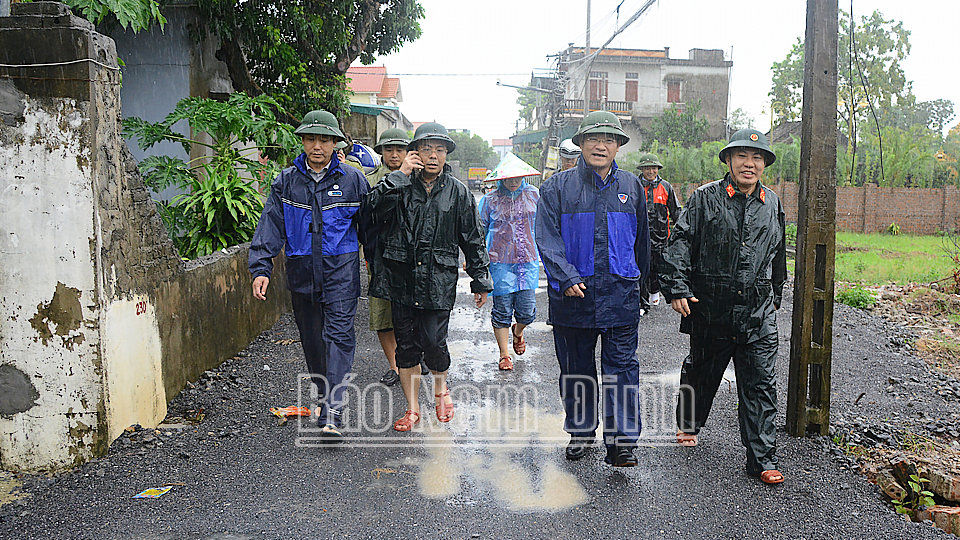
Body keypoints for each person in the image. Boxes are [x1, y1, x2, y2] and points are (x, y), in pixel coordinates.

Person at [660, 128, 787, 484]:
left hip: (757, 313)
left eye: (757, 158)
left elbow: (778, 253)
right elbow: (681, 241)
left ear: (764, 164)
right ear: (729, 161)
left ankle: (761, 458)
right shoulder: (704, 198)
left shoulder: (772, 203)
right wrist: (678, 287)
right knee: (701, 371)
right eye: (742, 157)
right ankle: (689, 422)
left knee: (760, 384)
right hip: (711, 308)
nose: (749, 164)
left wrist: (775, 292)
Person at [535, 111, 650, 467]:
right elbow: (547, 239)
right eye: (593, 139)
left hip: (620, 296)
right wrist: (566, 276)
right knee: (576, 368)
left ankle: (621, 443)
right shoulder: (557, 188)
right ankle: (581, 431)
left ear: (618, 146)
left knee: (622, 369)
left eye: (610, 140)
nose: (601, 146)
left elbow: (642, 243)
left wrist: (642, 289)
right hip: (574, 297)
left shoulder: (632, 187)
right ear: (581, 143)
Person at [249, 110, 369, 442]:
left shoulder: (352, 180)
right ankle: (323, 392)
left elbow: (369, 227)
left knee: (340, 335)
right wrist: (262, 268)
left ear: (335, 144)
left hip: (341, 270)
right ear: (303, 141)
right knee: (313, 339)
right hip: (301, 269)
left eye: (325, 140)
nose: (318, 146)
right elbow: (271, 226)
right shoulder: (286, 181)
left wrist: (375, 264)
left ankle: (334, 409)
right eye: (312, 139)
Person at [366, 122, 493, 432]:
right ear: (416, 152)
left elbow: (473, 238)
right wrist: (399, 175)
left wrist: (480, 279)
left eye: (439, 149)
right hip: (401, 277)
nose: (433, 155)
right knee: (406, 346)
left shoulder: (458, 191)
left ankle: (440, 389)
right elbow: (370, 211)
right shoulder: (399, 184)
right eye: (426, 149)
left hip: (438, 278)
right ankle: (411, 409)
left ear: (446, 154)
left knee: (435, 342)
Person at [364, 128, 428, 386]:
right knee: (383, 314)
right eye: (388, 149)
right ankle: (395, 365)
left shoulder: (422, 178)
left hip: (414, 259)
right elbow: (366, 217)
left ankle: (414, 355)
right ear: (380, 152)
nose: (393, 154)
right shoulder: (369, 181)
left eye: (399, 149)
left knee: (418, 311)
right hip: (380, 258)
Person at [478, 172, 540, 371]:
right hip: (500, 263)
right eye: (509, 178)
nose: (513, 181)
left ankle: (518, 331)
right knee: (502, 310)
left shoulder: (534, 195)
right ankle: (505, 354)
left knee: (527, 312)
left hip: (527, 262)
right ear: (501, 179)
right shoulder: (490, 200)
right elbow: (480, 230)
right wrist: (476, 258)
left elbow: (544, 224)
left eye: (517, 178)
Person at [637, 153, 681, 313]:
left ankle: (654, 290)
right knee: (641, 269)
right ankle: (642, 304)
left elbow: (676, 211)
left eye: (654, 168)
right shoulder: (635, 185)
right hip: (640, 238)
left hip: (662, 238)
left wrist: (682, 232)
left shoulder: (666, 187)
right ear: (642, 169)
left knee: (658, 269)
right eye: (647, 168)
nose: (651, 171)